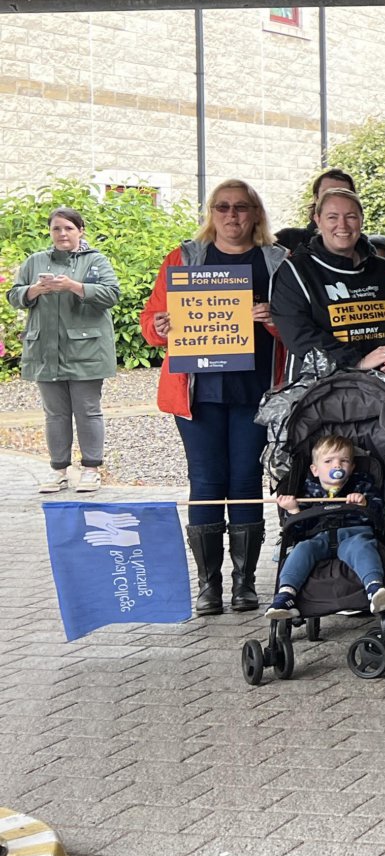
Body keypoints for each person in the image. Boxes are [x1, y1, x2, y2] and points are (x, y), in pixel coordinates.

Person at [141, 180, 291, 614]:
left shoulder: (277, 261)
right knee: (206, 482)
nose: (231, 215)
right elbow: (150, 322)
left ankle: (244, 583)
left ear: (256, 213)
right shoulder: (185, 258)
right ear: (212, 213)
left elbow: (300, 326)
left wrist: (273, 319)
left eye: (241, 207)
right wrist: (161, 327)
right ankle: (208, 585)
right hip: (197, 393)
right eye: (222, 207)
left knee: (245, 481)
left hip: (255, 390)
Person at [10, 208, 120, 495]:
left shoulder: (96, 260)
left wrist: (74, 286)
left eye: (69, 228)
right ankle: (59, 471)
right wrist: (34, 290)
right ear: (50, 232)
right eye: (56, 228)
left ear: (80, 230)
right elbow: (14, 296)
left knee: (87, 411)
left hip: (87, 350)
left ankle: (91, 470)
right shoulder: (35, 261)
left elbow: (112, 294)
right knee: (55, 414)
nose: (62, 234)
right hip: (45, 350)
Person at [271, 187, 385, 384]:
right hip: (319, 390)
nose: (342, 225)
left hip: (382, 385)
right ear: (318, 220)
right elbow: (299, 335)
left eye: (351, 217)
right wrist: (357, 362)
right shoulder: (295, 270)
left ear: (361, 220)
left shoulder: (382, 268)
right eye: (332, 217)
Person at [268, 434, 385, 618]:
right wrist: (294, 511)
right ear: (315, 469)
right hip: (319, 538)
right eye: (328, 461)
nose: (337, 465)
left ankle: (374, 588)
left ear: (352, 467)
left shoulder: (362, 484)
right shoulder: (307, 491)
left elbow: (379, 513)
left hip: (352, 535)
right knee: (301, 549)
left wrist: (364, 503)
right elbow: (299, 531)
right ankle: (286, 595)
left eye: (344, 461)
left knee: (362, 547)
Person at [275, 169, 357, 255]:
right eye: (327, 194)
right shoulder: (288, 240)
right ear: (316, 198)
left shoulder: (363, 249)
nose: (334, 200)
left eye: (343, 195)